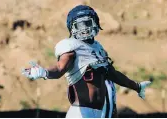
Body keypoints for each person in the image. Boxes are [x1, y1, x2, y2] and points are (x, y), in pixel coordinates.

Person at [22, 5, 151, 118]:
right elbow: (59, 68)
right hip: (81, 113)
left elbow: (114, 74)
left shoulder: (98, 48)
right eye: (79, 25)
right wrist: (44, 72)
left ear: (95, 22)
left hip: (101, 112)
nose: (84, 29)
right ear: (72, 29)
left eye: (87, 23)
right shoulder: (71, 47)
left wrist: (137, 86)